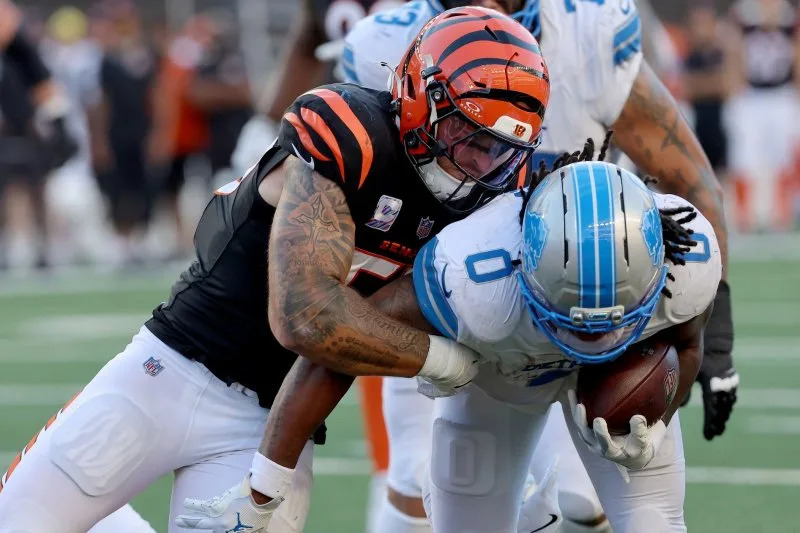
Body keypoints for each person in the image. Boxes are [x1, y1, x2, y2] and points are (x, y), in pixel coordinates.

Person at [0, 8, 549, 533]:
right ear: (418, 95)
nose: (480, 163)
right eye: (467, 134)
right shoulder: (349, 133)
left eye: (499, 149)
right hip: (168, 370)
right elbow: (307, 317)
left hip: (269, 427)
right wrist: (446, 362)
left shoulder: (499, 191)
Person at [337, 1, 737, 531]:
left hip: (598, 278)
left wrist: (711, 350)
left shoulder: (586, 31)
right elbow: (338, 175)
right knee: (415, 483)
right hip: (456, 303)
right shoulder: (380, 43)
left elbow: (688, 177)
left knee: (583, 502)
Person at [181, 154, 719, 532]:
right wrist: (264, 486)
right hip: (497, 385)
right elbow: (333, 351)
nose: (587, 342)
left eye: (607, 326)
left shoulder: (687, 258)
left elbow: (688, 346)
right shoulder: (470, 274)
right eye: (575, 323)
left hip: (598, 382)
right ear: (521, 265)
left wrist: (660, 410)